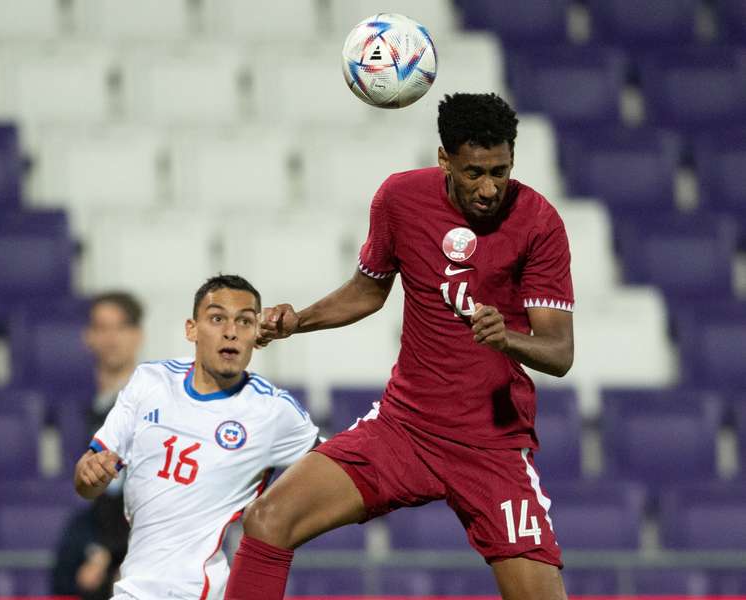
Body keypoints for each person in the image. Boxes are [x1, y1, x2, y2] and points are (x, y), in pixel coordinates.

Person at [223, 93, 574, 600]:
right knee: (269, 518)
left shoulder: (538, 223)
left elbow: (559, 352)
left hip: (490, 448)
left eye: (500, 170)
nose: (489, 187)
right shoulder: (401, 199)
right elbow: (368, 291)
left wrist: (509, 338)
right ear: (444, 160)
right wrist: (298, 320)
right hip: (405, 429)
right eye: (474, 172)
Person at [75, 274, 321, 600]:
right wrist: (90, 472)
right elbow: (86, 481)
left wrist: (277, 520)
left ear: (257, 335)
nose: (231, 331)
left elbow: (335, 472)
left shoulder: (273, 411)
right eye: (217, 318)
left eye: (245, 321)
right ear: (191, 328)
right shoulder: (150, 382)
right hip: (131, 591)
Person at [51, 482, 130, 600]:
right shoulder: (81, 525)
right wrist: (82, 579)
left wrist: (129, 577)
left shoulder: (139, 528)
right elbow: (60, 582)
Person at [84, 291, 145, 432]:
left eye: (121, 328)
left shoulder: (155, 400)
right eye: (102, 328)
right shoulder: (73, 403)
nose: (111, 339)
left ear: (138, 335)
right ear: (88, 336)